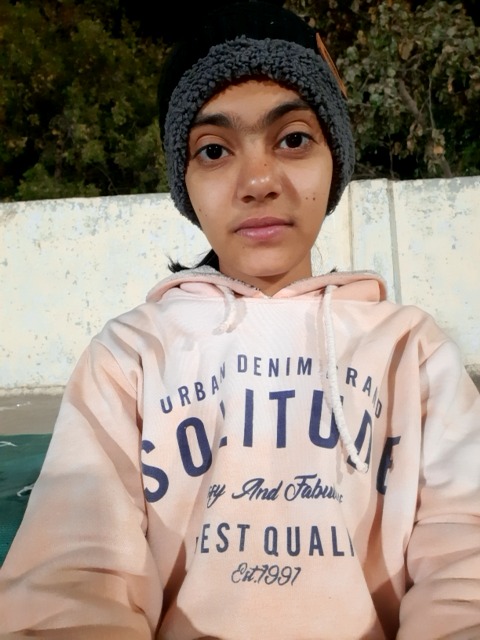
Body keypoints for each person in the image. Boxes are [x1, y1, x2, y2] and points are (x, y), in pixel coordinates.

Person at [0, 1, 479, 638]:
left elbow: (466, 559)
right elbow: (73, 578)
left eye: (293, 139)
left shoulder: (410, 352)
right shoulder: (129, 355)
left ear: (334, 159)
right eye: (214, 150)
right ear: (185, 183)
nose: (258, 180)